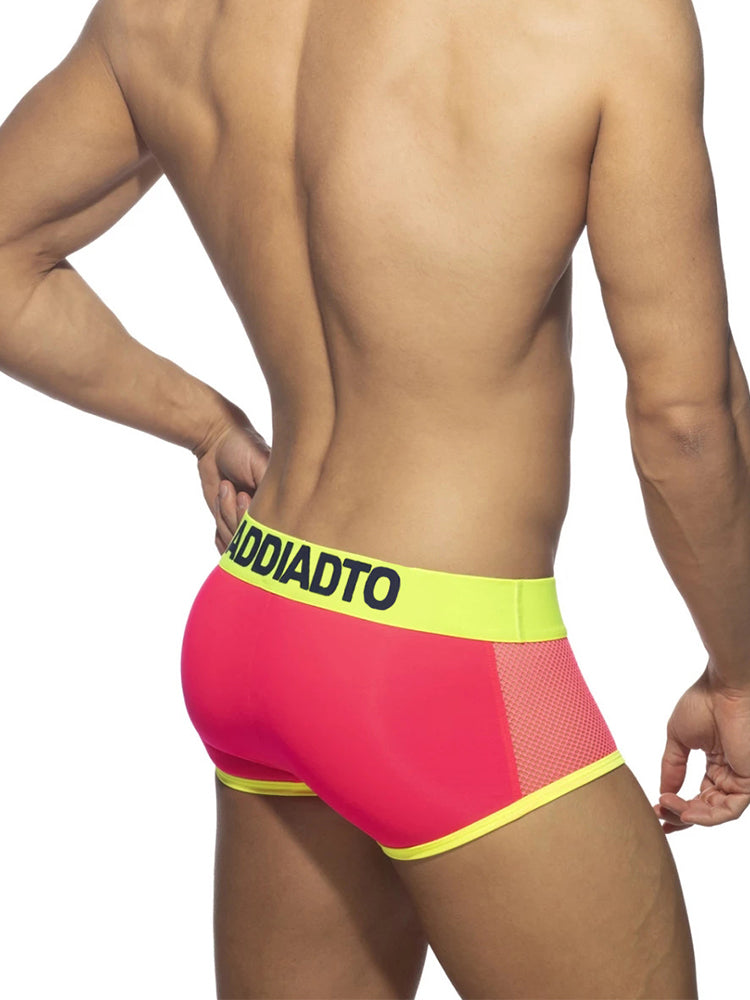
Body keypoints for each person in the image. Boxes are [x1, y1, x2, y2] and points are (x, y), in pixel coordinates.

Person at [0, 0, 748, 997]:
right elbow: (686, 422)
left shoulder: (163, 14)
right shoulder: (601, 20)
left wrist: (205, 422)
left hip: (261, 610)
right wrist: (740, 676)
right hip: (447, 661)